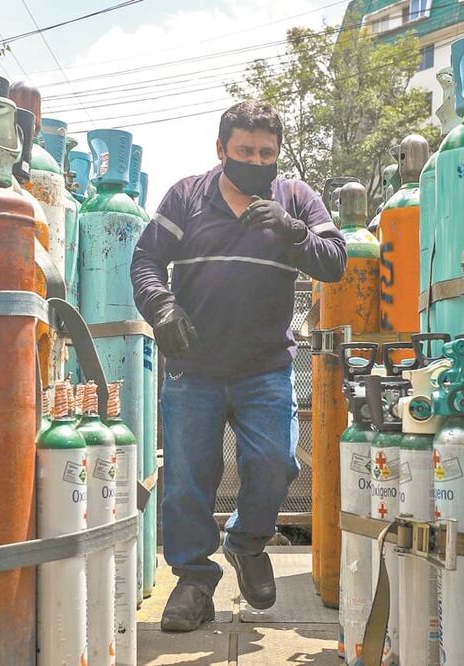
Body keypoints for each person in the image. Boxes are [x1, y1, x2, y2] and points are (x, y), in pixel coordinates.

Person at [131, 100, 346, 632]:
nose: (255, 160)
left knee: (276, 462)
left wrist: (293, 231)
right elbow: (146, 260)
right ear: (221, 149)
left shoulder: (295, 198)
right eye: (244, 150)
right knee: (187, 480)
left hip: (264, 369)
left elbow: (336, 261)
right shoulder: (187, 196)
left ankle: (247, 542)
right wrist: (161, 306)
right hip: (193, 368)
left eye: (266, 153)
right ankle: (193, 581)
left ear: (277, 154)